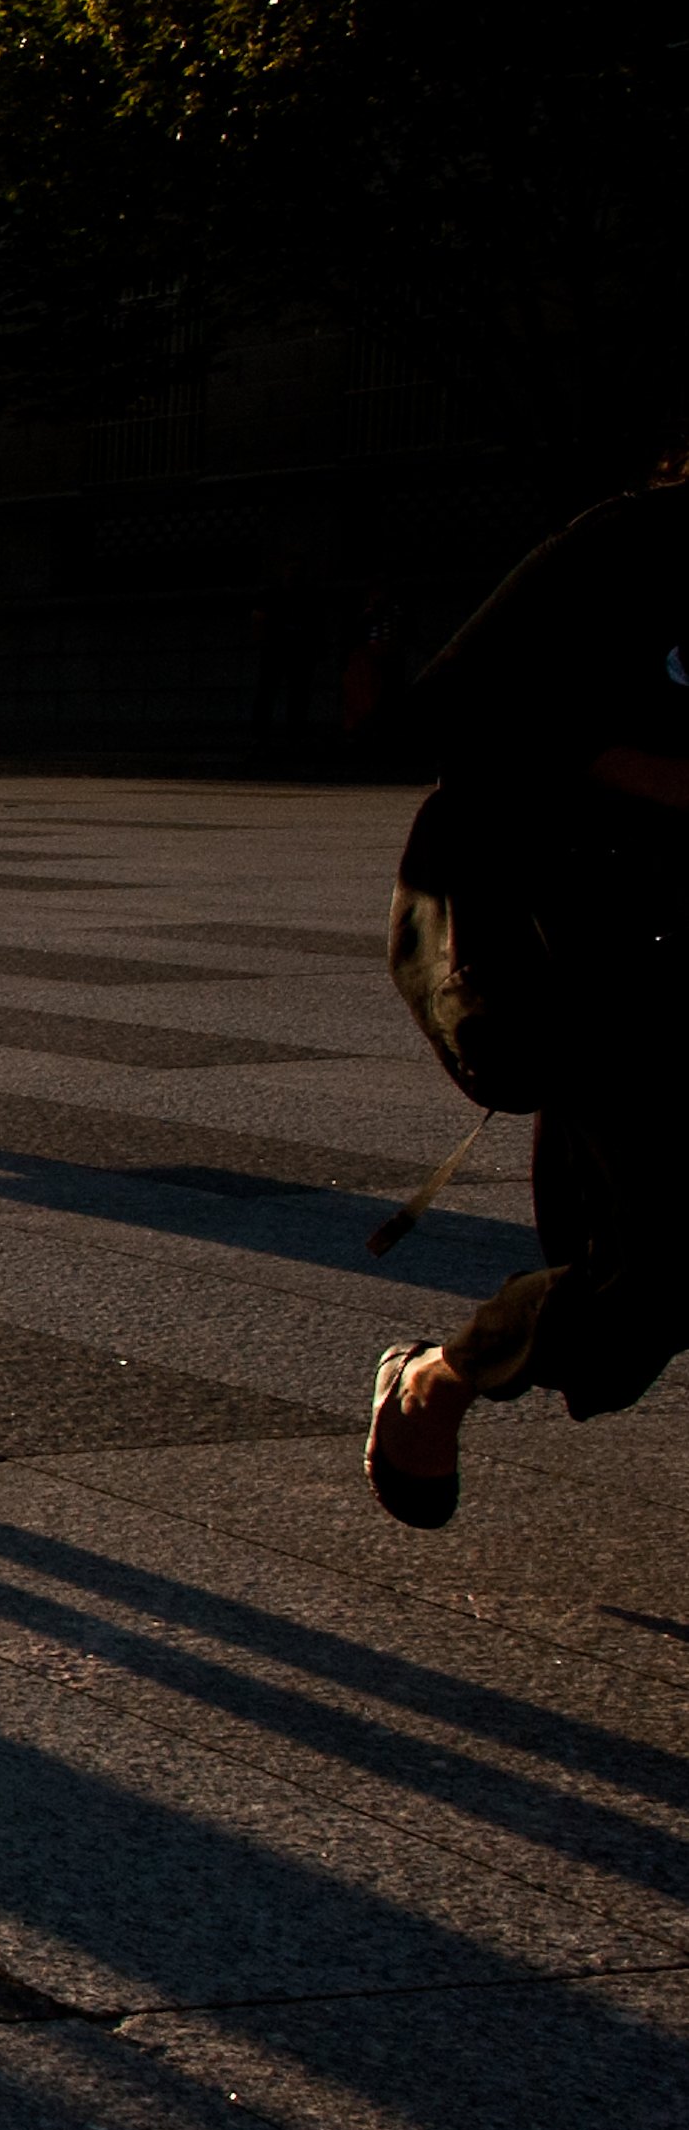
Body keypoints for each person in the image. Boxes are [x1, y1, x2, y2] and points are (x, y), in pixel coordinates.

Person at [363, 457, 689, 1526]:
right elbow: (460, 702)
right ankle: (435, 1381)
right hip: (614, 960)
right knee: (659, 1266)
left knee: (639, 1277)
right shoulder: (636, 546)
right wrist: (657, 777)